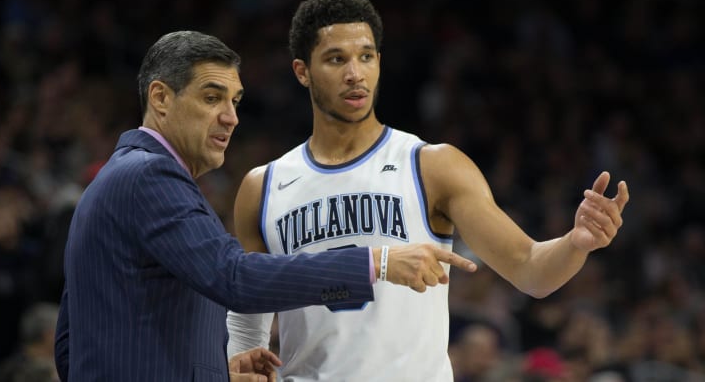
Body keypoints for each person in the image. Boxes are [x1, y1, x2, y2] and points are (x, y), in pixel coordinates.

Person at [226, 0, 629, 381]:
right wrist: (241, 361)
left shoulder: (431, 166)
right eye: (336, 59)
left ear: (379, 62)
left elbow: (530, 270)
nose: (355, 74)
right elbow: (248, 315)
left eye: (366, 57)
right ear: (302, 71)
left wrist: (576, 243)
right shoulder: (263, 187)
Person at [53, 30, 478, 382]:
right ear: (161, 98)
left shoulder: (110, 184)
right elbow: (234, 276)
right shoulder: (150, 177)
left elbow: (71, 346)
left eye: (235, 101)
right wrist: (376, 263)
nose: (230, 117)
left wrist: (213, 373)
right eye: (211, 97)